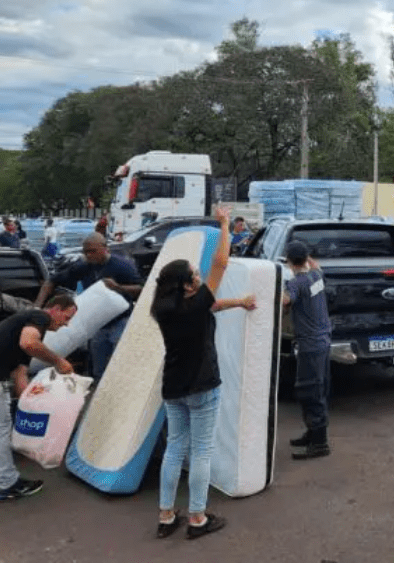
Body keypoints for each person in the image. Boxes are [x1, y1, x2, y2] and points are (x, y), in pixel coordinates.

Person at [151, 206, 256, 540]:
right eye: (195, 275)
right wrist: (224, 224)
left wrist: (238, 302)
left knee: (174, 449)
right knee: (201, 452)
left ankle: (166, 516)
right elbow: (221, 262)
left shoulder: (163, 307)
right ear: (186, 286)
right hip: (202, 386)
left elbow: (208, 307)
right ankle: (197, 517)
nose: (199, 276)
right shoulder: (193, 304)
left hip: (173, 386)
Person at [0, 295, 78, 501]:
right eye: (66, 317)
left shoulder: (25, 327)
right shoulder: (39, 317)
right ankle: (9, 483)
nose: (66, 324)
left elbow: (20, 375)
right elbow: (29, 343)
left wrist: (32, 404)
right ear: (55, 309)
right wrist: (58, 361)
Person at [35, 233, 143, 382]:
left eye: (92, 251)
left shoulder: (122, 266)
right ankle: (98, 389)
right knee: (98, 363)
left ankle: (120, 387)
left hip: (120, 320)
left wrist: (119, 287)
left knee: (118, 360)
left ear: (104, 248)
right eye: (85, 252)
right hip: (98, 322)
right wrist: (37, 306)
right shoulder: (85, 265)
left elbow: (141, 289)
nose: (88, 255)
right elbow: (51, 281)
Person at [283, 240, 334, 460]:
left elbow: (285, 301)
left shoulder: (297, 283)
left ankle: (320, 443)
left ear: (288, 261)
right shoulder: (316, 276)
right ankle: (313, 433)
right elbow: (316, 266)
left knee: (309, 391)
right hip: (322, 341)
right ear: (306, 259)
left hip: (310, 345)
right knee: (318, 389)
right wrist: (305, 257)